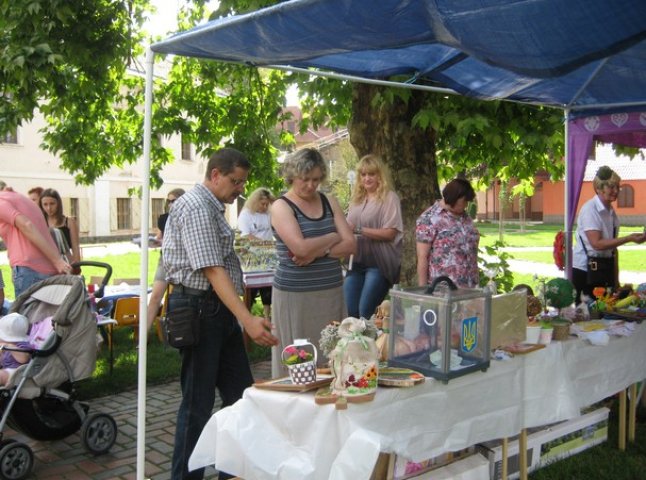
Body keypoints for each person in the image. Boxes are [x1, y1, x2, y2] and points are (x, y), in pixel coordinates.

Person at [162, 148, 278, 480]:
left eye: (243, 182)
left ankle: (235, 472)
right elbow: (212, 270)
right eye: (235, 181)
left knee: (241, 397)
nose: (241, 188)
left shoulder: (210, 207)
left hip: (215, 310)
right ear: (215, 175)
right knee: (197, 406)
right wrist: (248, 319)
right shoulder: (198, 207)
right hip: (201, 310)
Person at [270, 148, 356, 378]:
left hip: (330, 292)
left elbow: (351, 245)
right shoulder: (281, 206)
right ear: (292, 176)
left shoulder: (328, 200)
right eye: (305, 179)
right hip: (295, 296)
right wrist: (333, 236)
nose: (310, 185)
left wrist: (317, 251)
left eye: (316, 179)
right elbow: (299, 249)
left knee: (332, 355)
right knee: (297, 360)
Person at [572, 166, 646, 303]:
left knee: (604, 312)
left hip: (603, 269)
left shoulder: (611, 212)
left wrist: (616, 280)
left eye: (618, 187)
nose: (616, 191)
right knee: (586, 315)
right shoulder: (590, 209)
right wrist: (629, 238)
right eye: (611, 187)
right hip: (585, 271)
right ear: (599, 188)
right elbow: (597, 244)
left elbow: (612, 250)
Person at [344, 154, 403, 319]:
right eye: (363, 174)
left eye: (371, 174)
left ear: (380, 176)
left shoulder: (389, 198)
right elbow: (348, 227)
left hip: (379, 264)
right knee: (351, 313)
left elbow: (390, 233)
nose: (367, 178)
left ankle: (376, 344)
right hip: (355, 261)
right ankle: (355, 345)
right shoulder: (356, 198)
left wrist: (359, 229)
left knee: (365, 312)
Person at [0, 183, 71, 297]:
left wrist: (57, 260)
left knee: (25, 314)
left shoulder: (2, 202)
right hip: (49, 270)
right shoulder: (21, 200)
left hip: (30, 270)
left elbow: (26, 225)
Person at [416, 178, 480, 288]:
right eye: (464, 201)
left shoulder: (465, 217)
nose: (466, 205)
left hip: (470, 288)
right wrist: (423, 293)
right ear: (454, 197)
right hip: (444, 291)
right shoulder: (429, 219)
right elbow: (422, 257)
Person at [146, 188, 185, 333]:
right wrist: (154, 242)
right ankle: (143, 336)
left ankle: (180, 331)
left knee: (181, 297)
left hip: (182, 262)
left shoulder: (188, 217)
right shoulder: (164, 218)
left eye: (173, 200)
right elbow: (160, 237)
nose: (170, 204)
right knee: (155, 296)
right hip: (166, 258)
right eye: (168, 201)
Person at [237, 187, 276, 321]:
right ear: (255, 202)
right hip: (251, 257)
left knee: (268, 286)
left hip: (269, 256)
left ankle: (267, 316)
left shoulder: (269, 214)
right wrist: (264, 244)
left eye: (267, 204)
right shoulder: (246, 214)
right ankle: (246, 316)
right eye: (262, 204)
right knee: (252, 289)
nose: (265, 207)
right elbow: (246, 235)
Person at [39, 188, 81, 266]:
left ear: (58, 203)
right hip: (46, 265)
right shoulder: (40, 223)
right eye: (45, 204)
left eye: (52, 203)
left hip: (67, 264)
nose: (49, 208)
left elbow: (76, 248)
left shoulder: (69, 222)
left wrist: (77, 266)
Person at [0, 313, 31, 385]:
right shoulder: (6, 345)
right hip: (6, 368)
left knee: (1, 376)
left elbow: (24, 359)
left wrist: (9, 346)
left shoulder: (22, 345)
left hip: (17, 372)